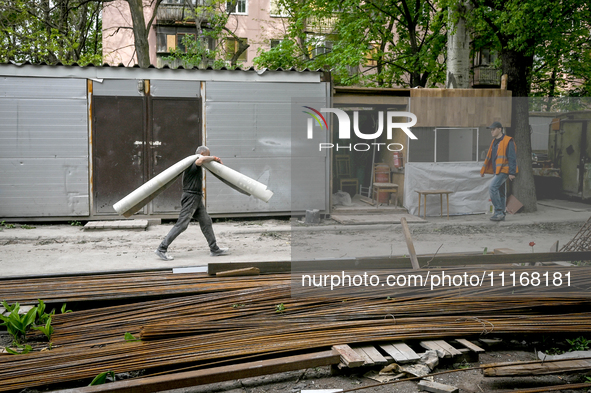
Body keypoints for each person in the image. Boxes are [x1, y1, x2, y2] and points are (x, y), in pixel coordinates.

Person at [155, 146, 229, 260]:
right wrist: (214, 158)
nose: (208, 157)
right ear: (202, 153)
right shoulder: (193, 164)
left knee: (206, 221)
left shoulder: (193, 165)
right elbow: (200, 160)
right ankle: (161, 249)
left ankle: (214, 249)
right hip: (191, 198)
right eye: (207, 154)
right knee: (182, 224)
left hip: (196, 198)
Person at [480, 121, 518, 222]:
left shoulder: (508, 140)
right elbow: (490, 157)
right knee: (501, 193)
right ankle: (502, 214)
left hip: (504, 170)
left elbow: (512, 157)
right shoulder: (494, 141)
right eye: (491, 130)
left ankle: (498, 212)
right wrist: (484, 170)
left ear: (500, 129)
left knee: (492, 187)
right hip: (498, 171)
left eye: (494, 129)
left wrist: (512, 172)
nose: (492, 131)